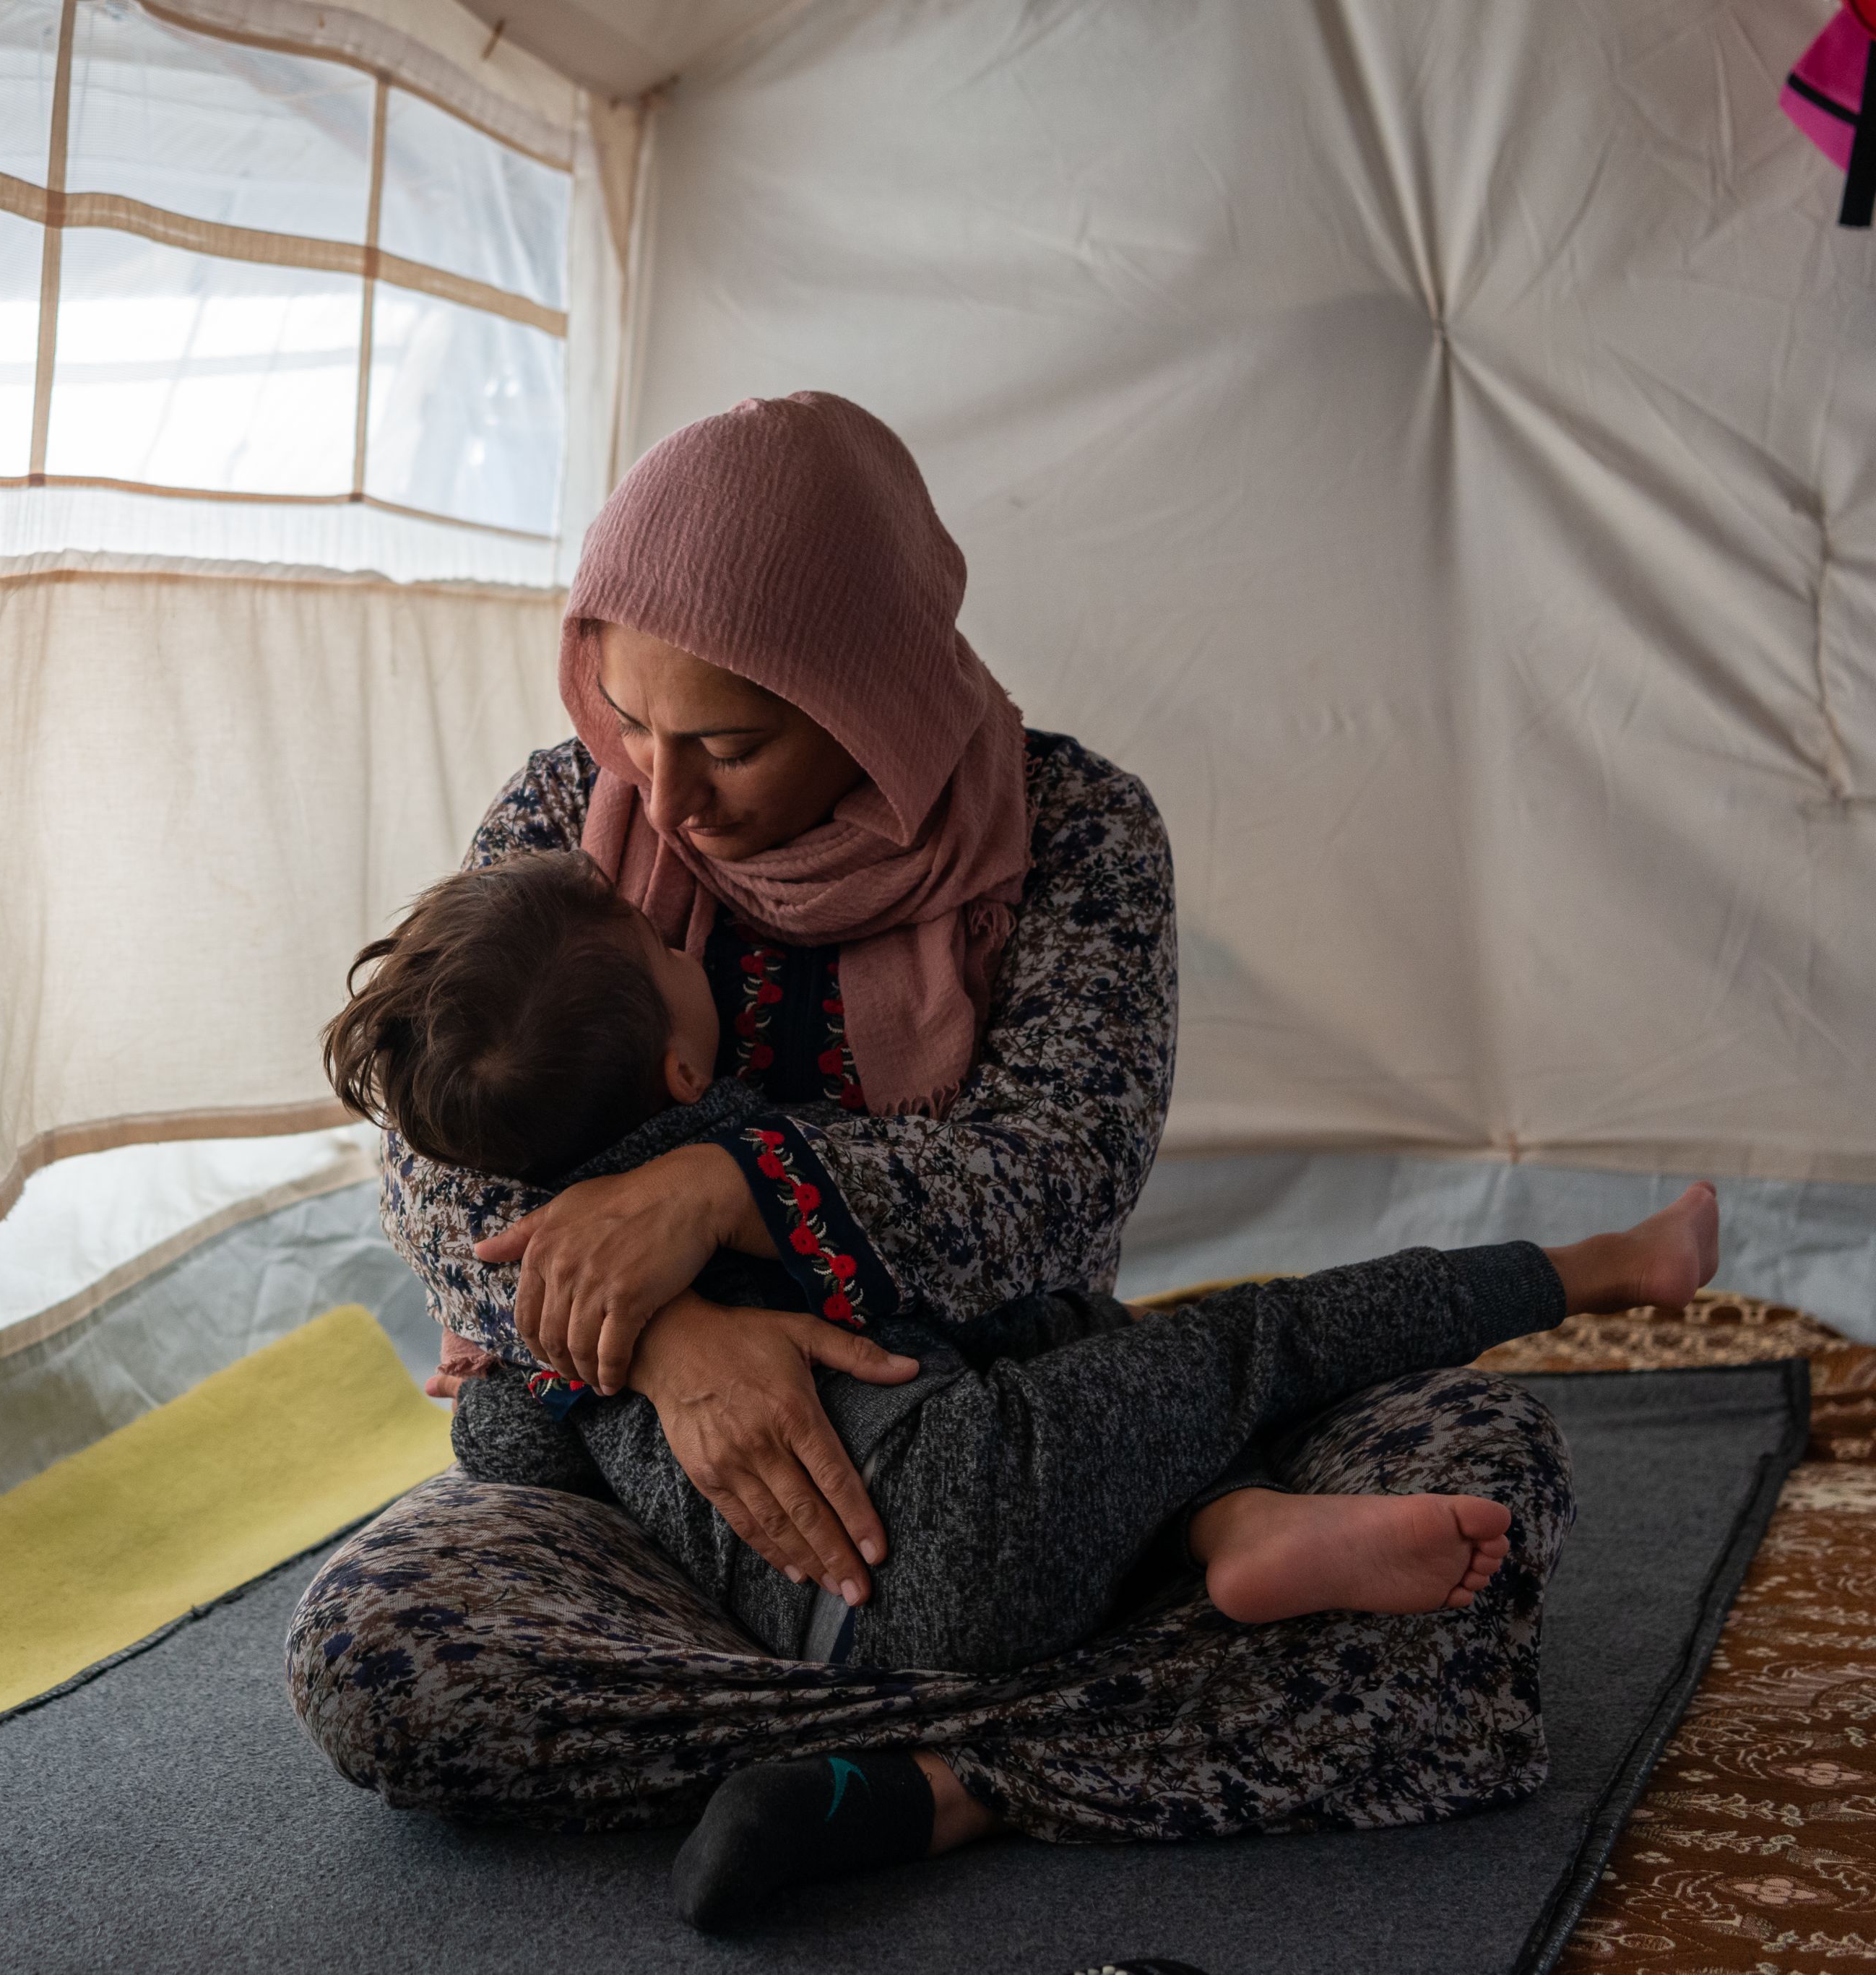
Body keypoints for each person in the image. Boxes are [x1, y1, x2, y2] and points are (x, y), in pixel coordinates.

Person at [284, 391, 1588, 1927]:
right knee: (378, 1658)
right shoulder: (573, 807)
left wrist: (725, 1185)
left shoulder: (1075, 832)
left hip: (1034, 1439)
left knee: (1487, 1449)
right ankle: (1042, 1742)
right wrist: (667, 1342)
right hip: (668, 1497)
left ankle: (921, 1764)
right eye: (628, 717)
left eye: (727, 740)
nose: (668, 790)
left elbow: (1060, 1178)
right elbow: (434, 1159)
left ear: (873, 691)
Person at [318, 845, 1716, 1922]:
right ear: (681, 1066)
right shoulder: (751, 1143)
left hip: (832, 1634)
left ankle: (952, 1761)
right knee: (1260, 1340)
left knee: (1204, 1397)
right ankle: (1592, 1266)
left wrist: (510, 1363)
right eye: (651, 941)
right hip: (986, 1483)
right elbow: (982, 1297)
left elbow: (516, 1459)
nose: (678, 924)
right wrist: (693, 1303)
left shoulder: (534, 1322)